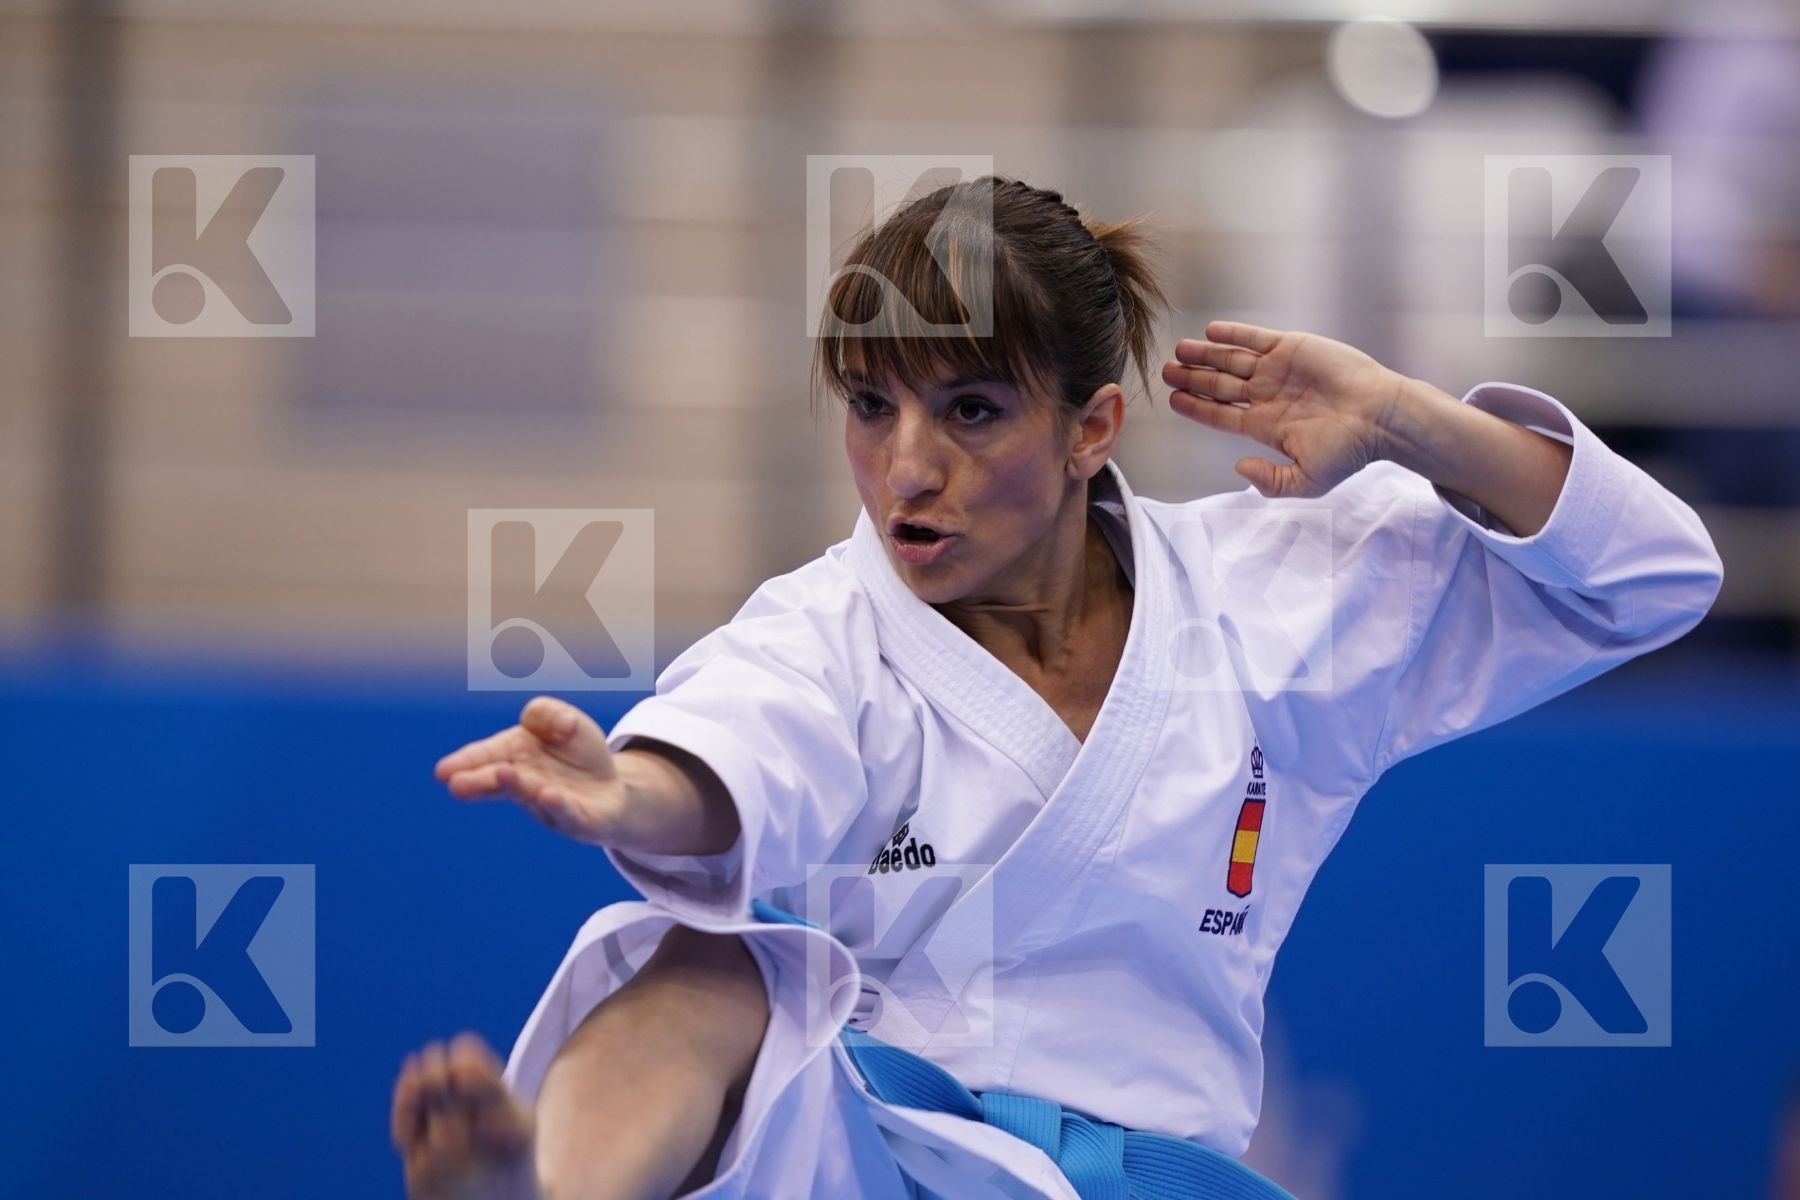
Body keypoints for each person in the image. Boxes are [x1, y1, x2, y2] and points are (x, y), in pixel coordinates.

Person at [389, 176, 1723, 1199]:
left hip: (1146, 1172)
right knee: (714, 958)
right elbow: (740, 754)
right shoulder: (829, 632)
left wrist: (1401, 420)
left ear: (1092, 427)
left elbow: (1652, 576)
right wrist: (630, 791)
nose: (907, 469)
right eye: (870, 406)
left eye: (970, 411)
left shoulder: (1270, 593)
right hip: (866, 1150)